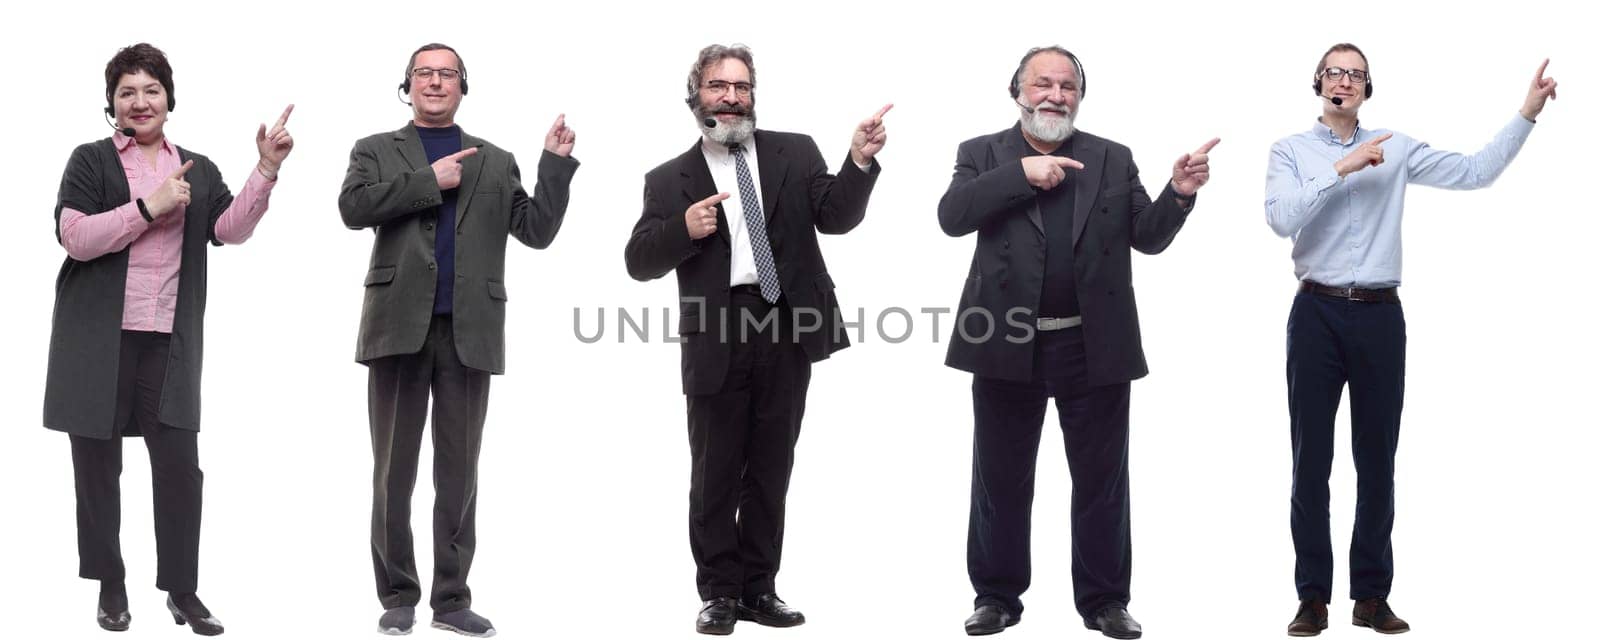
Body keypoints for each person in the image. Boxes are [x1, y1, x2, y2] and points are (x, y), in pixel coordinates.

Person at [1266, 43, 1556, 637]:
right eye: (1333, 72)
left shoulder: (1396, 147)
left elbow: (1475, 172)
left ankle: (1370, 595)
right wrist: (1341, 168)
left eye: (1355, 74)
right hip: (1315, 312)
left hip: (1378, 317)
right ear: (1317, 82)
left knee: (1377, 462)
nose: (1342, 81)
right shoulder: (1289, 151)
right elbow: (1280, 218)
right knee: (1310, 463)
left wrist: (1525, 113)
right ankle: (1312, 597)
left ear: (1368, 88)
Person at [938, 46, 1216, 639]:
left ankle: (1105, 601)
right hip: (1005, 342)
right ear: (1017, 90)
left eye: (1067, 86)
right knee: (1000, 477)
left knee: (1102, 481)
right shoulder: (982, 153)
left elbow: (1148, 236)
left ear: (1080, 97)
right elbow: (953, 216)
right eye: (1043, 83)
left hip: (1094, 345)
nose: (1055, 95)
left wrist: (1180, 192)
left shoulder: (1112, 158)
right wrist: (1021, 175)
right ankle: (996, 596)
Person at [623, 43, 887, 636]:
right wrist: (682, 229)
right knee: (715, 468)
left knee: (771, 465)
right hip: (717, 328)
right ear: (697, 97)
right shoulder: (669, 179)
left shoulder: (795, 151)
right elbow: (638, 260)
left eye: (741, 87)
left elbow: (836, 217)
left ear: (753, 95)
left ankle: (759, 589)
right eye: (719, 86)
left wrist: (859, 162)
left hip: (788, 322)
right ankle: (718, 592)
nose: (732, 97)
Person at [45, 42, 293, 636]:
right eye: (126, 91)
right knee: (97, 468)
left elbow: (228, 231)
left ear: (168, 98)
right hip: (95, 341)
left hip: (169, 343)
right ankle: (110, 582)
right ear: (112, 103)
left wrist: (265, 170)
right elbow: (75, 236)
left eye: (150, 89)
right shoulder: (90, 159)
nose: (139, 101)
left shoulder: (199, 168)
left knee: (181, 468)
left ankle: (182, 590)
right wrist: (148, 208)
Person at [338, 42, 579, 638]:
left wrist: (553, 164)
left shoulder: (496, 160)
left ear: (462, 87)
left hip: (469, 330)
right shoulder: (374, 149)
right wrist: (428, 181)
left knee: (459, 470)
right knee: (393, 469)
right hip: (397, 327)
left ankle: (450, 598)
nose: (436, 82)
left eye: (448, 74)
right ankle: (398, 593)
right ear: (408, 85)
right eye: (425, 73)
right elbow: (351, 207)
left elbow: (537, 231)